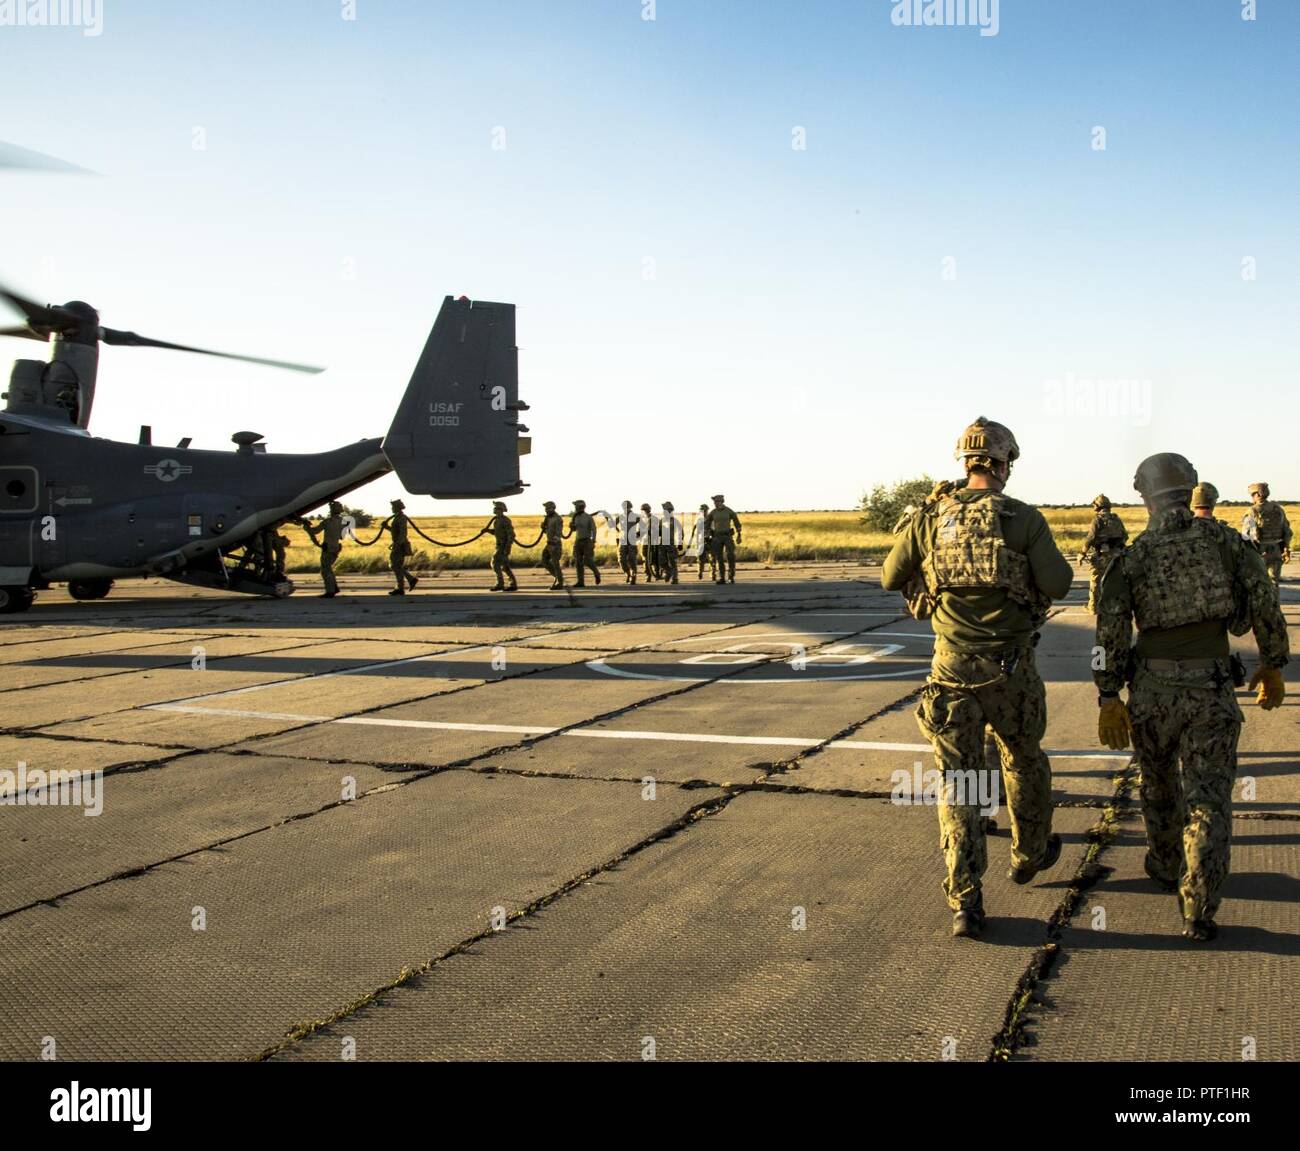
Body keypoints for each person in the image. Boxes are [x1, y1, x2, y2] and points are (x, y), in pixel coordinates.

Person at [882, 417, 1073, 940]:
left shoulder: (930, 517)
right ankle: (1030, 853)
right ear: (1006, 462)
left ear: (964, 462)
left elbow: (889, 576)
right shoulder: (1022, 518)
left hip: (950, 672)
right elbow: (1058, 582)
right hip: (1010, 670)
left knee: (960, 784)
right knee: (1023, 758)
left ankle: (966, 902)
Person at [1096, 453, 1289, 942]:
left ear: (1145, 497)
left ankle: (1165, 865)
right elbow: (1265, 603)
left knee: (1159, 787)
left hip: (1152, 692)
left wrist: (1107, 693)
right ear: (1192, 489)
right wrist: (1273, 662)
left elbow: (1109, 633)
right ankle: (1199, 905)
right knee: (1209, 799)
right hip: (1211, 689)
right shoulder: (1227, 543)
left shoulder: (1133, 556)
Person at [1081, 494, 1128, 614]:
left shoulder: (1098, 520)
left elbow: (1090, 538)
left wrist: (1082, 553)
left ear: (1097, 506)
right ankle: (1116, 606)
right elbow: (1125, 536)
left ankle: (1093, 607)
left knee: (1096, 580)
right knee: (1115, 580)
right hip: (1117, 556)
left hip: (1101, 556)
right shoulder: (1116, 519)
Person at [1246, 482, 1292, 587]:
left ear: (1258, 494)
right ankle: (1275, 602)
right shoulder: (1278, 509)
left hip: (1260, 551)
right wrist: (1286, 548)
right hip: (1276, 550)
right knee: (1274, 581)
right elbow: (1287, 531)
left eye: (1253, 494)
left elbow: (1247, 535)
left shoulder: (1252, 511)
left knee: (1259, 583)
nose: (1252, 497)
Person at [304, 501, 345, 597]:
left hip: (328, 548)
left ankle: (330, 591)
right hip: (336, 548)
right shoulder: (343, 522)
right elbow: (341, 536)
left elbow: (315, 531)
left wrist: (307, 528)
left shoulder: (327, 522)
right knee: (329, 569)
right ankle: (334, 588)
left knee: (326, 570)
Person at [385, 498, 419, 596]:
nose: (392, 508)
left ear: (396, 507)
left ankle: (401, 587)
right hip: (398, 544)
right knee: (397, 566)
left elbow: (403, 533)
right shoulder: (397, 517)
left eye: (393, 506)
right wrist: (387, 527)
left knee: (395, 565)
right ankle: (410, 580)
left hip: (400, 545)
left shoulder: (401, 518)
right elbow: (396, 531)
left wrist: (397, 544)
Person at [708, 494, 742, 584]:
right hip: (717, 537)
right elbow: (707, 523)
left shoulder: (729, 511)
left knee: (730, 556)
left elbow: (737, 522)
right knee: (719, 558)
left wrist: (739, 534)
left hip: (727, 536)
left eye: (716, 502)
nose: (715, 503)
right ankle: (722, 577)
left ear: (721, 502)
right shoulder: (713, 512)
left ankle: (731, 576)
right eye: (714, 502)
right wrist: (707, 533)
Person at [570, 500, 601, 587]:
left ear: (581, 507)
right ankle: (580, 581)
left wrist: (593, 540)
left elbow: (593, 529)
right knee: (578, 562)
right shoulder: (575, 517)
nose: (575, 508)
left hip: (587, 541)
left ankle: (596, 573)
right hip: (578, 541)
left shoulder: (588, 517)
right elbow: (574, 529)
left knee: (587, 561)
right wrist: (572, 526)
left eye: (576, 506)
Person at [489, 501, 517, 592]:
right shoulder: (497, 520)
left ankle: (500, 584)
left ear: (500, 510)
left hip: (503, 546)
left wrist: (507, 547)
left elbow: (511, 534)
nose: (494, 509)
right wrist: (489, 531)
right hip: (499, 546)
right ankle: (513, 584)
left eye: (496, 508)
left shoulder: (505, 520)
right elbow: (499, 532)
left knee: (495, 563)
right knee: (505, 566)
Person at [541, 501, 565, 590]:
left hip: (555, 544)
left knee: (555, 563)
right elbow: (547, 532)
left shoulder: (557, 519)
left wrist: (554, 543)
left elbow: (558, 533)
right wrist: (543, 528)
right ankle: (557, 577)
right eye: (546, 508)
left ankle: (560, 582)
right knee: (544, 560)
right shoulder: (548, 519)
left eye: (548, 508)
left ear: (553, 508)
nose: (546, 510)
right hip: (549, 543)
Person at [689, 503, 716, 581]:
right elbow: (694, 530)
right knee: (701, 559)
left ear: (707, 510)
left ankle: (713, 573)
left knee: (712, 558)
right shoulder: (698, 519)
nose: (704, 512)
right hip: (701, 541)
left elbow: (713, 529)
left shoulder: (711, 519)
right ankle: (700, 572)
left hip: (710, 541)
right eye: (702, 510)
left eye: (705, 510)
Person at [616, 500, 639, 584]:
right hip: (623, 540)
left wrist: (639, 532)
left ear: (630, 507)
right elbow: (613, 524)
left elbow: (643, 524)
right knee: (621, 560)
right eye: (624, 507)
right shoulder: (620, 516)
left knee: (632, 559)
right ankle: (628, 573)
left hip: (631, 540)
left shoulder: (635, 516)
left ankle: (633, 576)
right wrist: (618, 530)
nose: (626, 508)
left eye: (627, 507)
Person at [659, 501, 680, 584]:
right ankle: (668, 572)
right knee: (661, 562)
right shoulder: (661, 521)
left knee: (672, 561)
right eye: (664, 510)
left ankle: (675, 578)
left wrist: (680, 543)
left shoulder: (674, 521)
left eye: (666, 510)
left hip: (670, 544)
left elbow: (680, 532)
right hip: (662, 544)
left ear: (670, 511)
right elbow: (659, 532)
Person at [638, 503, 660, 581]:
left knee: (654, 558)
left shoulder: (655, 519)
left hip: (653, 542)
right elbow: (639, 532)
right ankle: (648, 575)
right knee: (645, 559)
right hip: (644, 542)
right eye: (643, 510)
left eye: (645, 510)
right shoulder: (641, 520)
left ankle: (656, 573)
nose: (644, 511)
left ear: (649, 510)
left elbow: (658, 530)